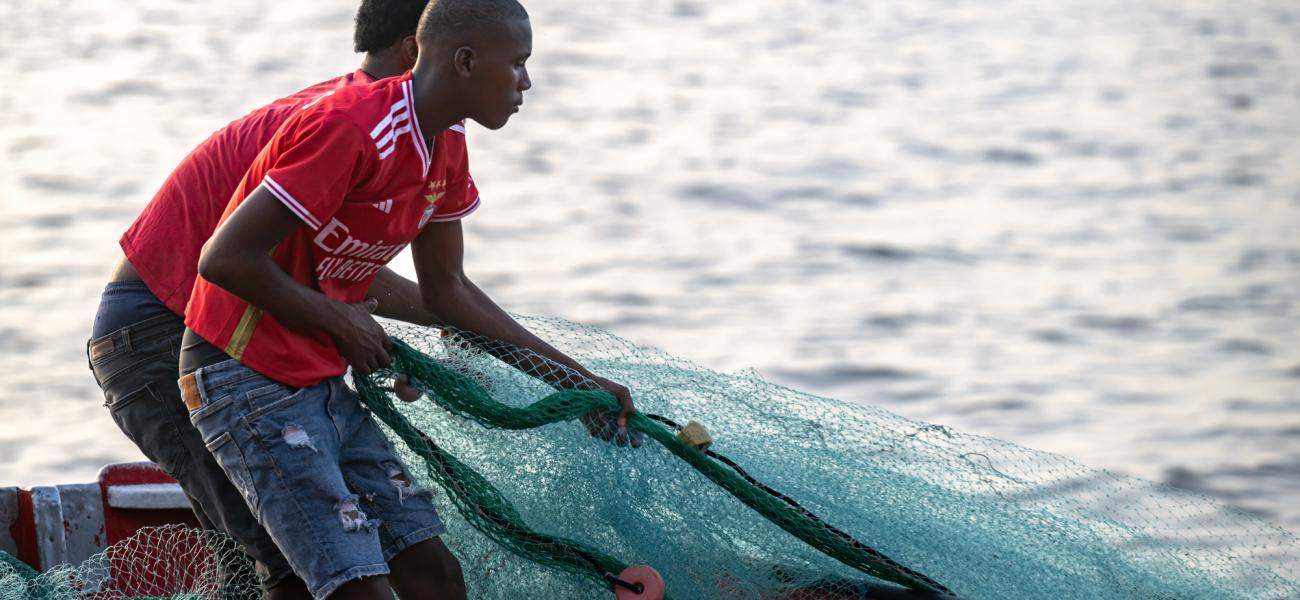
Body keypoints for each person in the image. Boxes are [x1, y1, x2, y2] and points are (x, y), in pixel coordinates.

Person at [180, 0, 637, 598]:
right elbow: (224, 259)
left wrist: (573, 381)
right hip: (242, 376)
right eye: (519, 64)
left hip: (316, 378)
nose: (526, 83)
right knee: (358, 587)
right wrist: (341, 320)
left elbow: (450, 293)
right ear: (466, 61)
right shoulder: (351, 126)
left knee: (434, 574)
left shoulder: (446, 143)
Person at [87, 2, 432, 598]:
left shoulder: (385, 128)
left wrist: (445, 325)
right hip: (157, 335)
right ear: (418, 50)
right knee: (289, 560)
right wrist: (368, 324)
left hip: (237, 340)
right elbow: (243, 264)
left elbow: (323, 275)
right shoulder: (339, 125)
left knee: (271, 559)